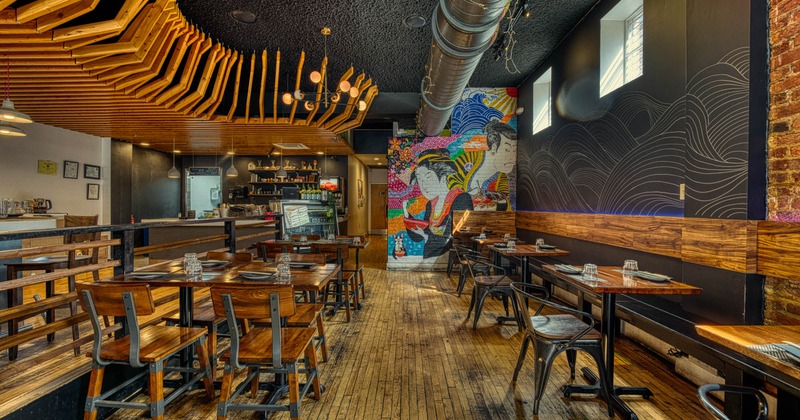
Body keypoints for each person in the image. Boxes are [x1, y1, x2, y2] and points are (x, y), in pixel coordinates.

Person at [405, 149, 474, 259]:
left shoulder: (461, 198)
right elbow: (421, 236)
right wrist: (406, 214)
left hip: (449, 257)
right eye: (419, 179)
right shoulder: (430, 204)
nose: (423, 185)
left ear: (443, 176)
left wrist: (425, 235)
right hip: (429, 257)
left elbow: (453, 237)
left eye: (428, 177)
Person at [465, 120, 517, 210]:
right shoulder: (471, 157)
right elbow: (451, 182)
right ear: (494, 148)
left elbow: (506, 207)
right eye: (507, 150)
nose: (513, 158)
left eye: (515, 151)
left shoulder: (502, 178)